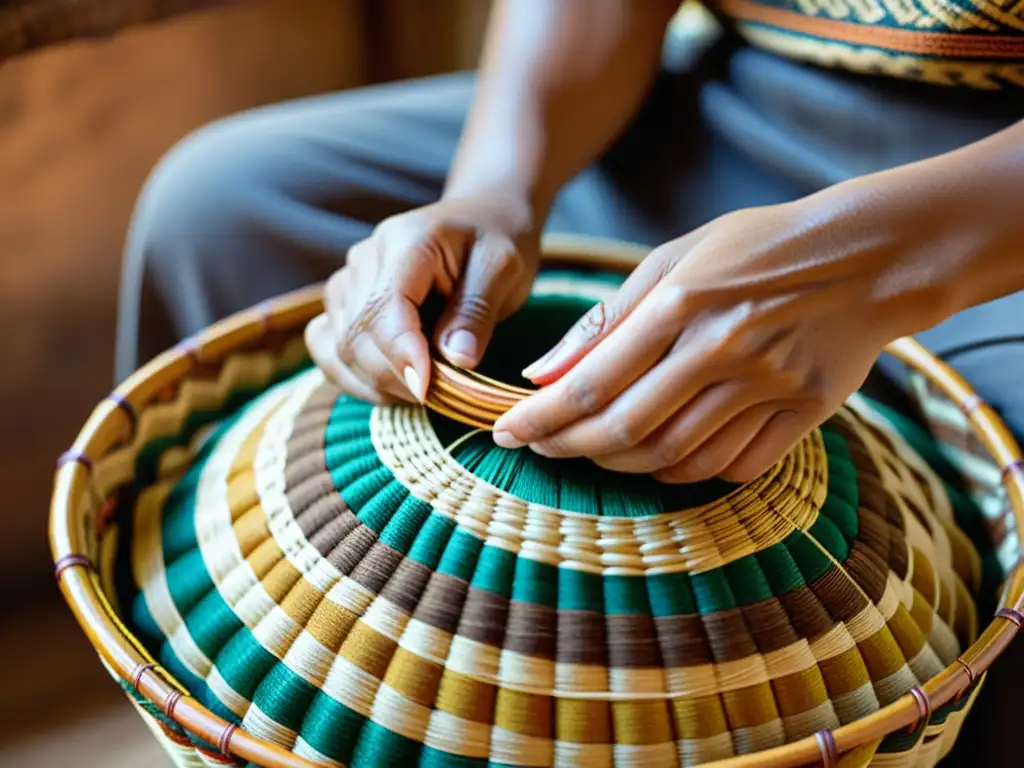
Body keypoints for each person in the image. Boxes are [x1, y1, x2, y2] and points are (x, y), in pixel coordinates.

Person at [116, 1, 1022, 762]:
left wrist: (878, 263)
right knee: (223, 209)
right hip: (729, 108)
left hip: (986, 204)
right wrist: (496, 188)